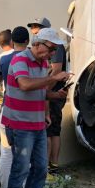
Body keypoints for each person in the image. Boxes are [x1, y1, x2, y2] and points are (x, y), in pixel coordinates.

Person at [2, 27, 70, 188]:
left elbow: (38, 90)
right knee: (20, 169)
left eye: (54, 51)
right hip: (20, 124)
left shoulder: (43, 63)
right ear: (38, 44)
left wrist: (55, 95)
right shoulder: (20, 60)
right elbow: (24, 84)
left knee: (40, 168)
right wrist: (53, 78)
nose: (52, 54)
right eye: (51, 49)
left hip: (37, 123)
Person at [0, 27, 30, 188]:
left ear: (12, 41)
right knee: (26, 155)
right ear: (28, 41)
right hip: (29, 113)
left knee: (7, 154)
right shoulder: (34, 59)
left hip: (7, 112)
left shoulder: (3, 59)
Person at [28, 17, 67, 172]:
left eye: (38, 27)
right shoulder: (34, 57)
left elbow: (56, 70)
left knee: (51, 131)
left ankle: (50, 168)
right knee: (51, 131)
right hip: (51, 93)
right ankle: (50, 167)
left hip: (52, 94)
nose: (34, 30)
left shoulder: (53, 47)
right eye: (33, 27)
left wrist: (47, 92)